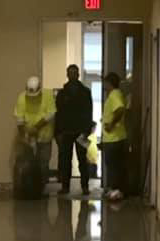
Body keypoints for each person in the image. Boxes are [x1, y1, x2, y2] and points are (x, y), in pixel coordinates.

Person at [55, 65, 94, 196]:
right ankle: (65, 186)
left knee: (83, 160)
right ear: (67, 75)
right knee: (65, 161)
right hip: (66, 131)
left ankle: (85, 186)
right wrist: (58, 132)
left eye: (75, 73)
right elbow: (58, 114)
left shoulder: (86, 92)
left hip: (82, 131)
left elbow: (89, 112)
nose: (72, 75)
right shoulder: (62, 93)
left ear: (78, 74)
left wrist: (87, 131)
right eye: (70, 73)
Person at [13, 75, 56, 188]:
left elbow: (51, 114)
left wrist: (36, 127)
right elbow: (19, 120)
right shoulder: (22, 98)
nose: (32, 98)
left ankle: (41, 188)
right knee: (27, 162)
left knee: (43, 163)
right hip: (28, 135)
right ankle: (27, 187)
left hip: (45, 135)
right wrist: (24, 136)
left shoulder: (48, 95)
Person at [100, 71, 128, 202]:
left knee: (113, 165)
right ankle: (115, 189)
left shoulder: (114, 95)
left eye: (105, 83)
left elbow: (120, 109)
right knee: (114, 164)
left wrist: (111, 124)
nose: (104, 86)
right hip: (115, 137)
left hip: (114, 138)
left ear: (109, 83)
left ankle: (116, 190)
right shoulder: (116, 94)